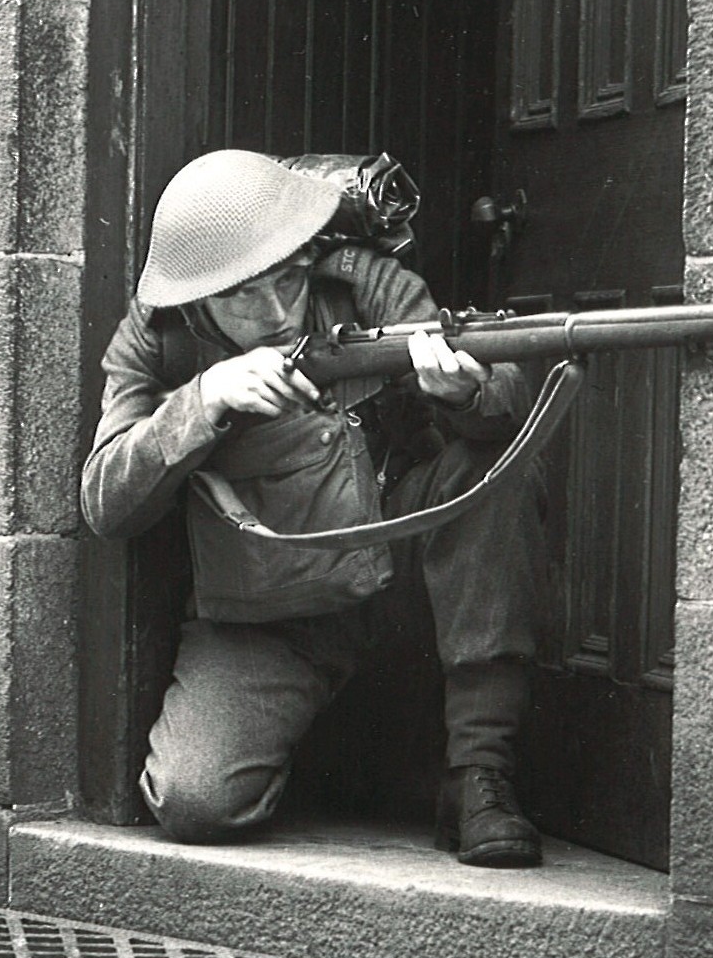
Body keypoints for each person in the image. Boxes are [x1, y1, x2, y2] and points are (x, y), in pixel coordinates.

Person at [80, 148, 547, 865]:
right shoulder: (157, 338)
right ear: (197, 295)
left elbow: (502, 391)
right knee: (194, 796)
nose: (275, 312)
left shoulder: (364, 283)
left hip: (400, 578)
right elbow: (105, 498)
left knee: (496, 469)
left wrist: (463, 391)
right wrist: (203, 402)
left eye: (290, 280)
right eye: (244, 295)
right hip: (273, 612)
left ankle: (481, 772)